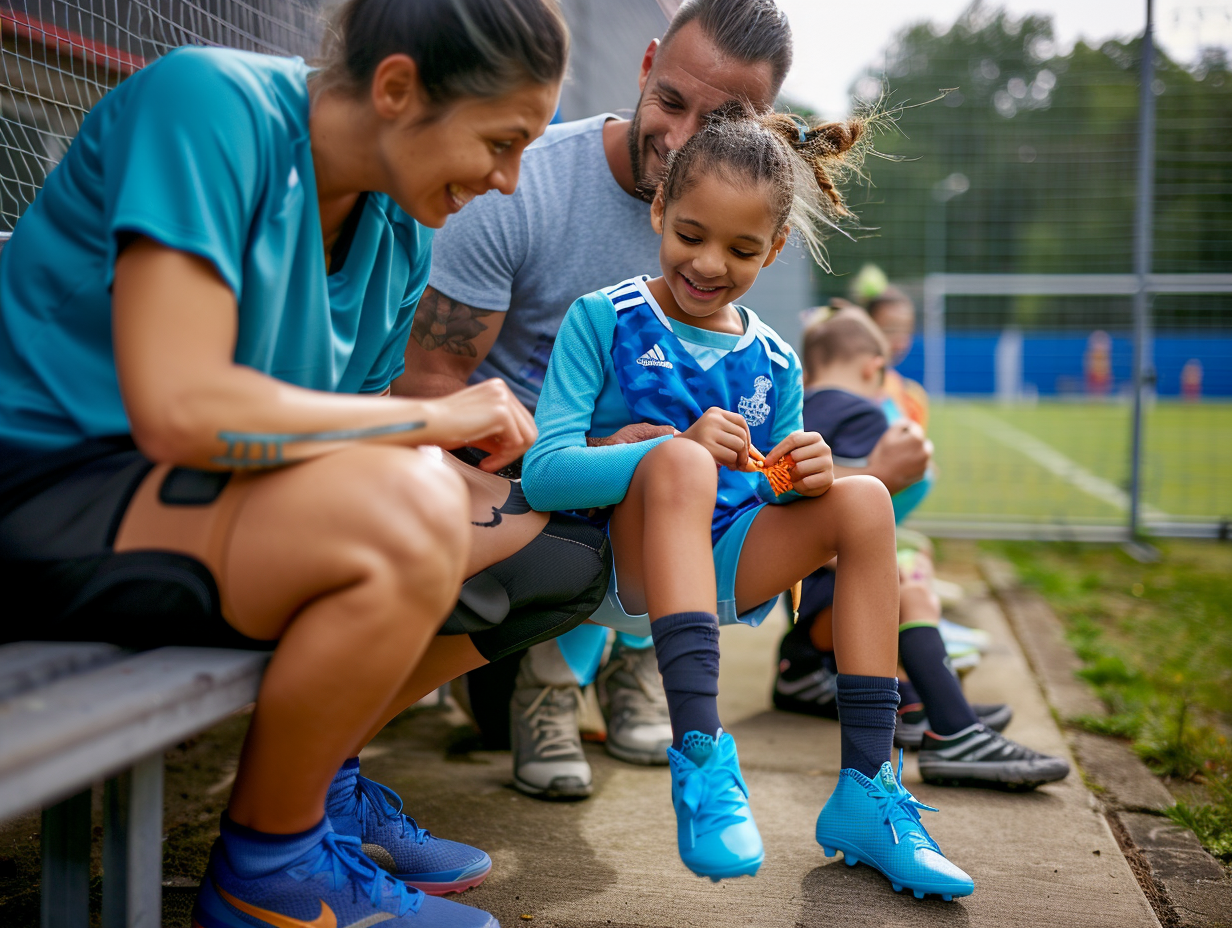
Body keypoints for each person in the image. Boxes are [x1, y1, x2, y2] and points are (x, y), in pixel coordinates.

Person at [0, 1, 570, 925]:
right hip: (44, 484)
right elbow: (182, 407)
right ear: (396, 88)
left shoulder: (400, 233)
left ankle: (327, 805)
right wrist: (430, 423)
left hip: (189, 497)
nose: (508, 181)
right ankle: (274, 874)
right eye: (501, 142)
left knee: (554, 540)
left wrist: (475, 456)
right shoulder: (207, 103)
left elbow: (343, 428)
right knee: (412, 512)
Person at [397, 0, 931, 800]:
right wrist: (612, 462)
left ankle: (660, 674)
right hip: (540, 516)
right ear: (645, 68)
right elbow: (432, 392)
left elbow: (760, 472)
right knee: (656, 481)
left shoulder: (748, 292)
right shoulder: (525, 189)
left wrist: (804, 470)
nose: (683, 138)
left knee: (727, 486)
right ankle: (558, 676)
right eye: (673, 101)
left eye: (720, 119)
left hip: (671, 542)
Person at [521, 107, 974, 900]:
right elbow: (545, 473)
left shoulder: (775, 358)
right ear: (658, 210)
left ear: (775, 248)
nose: (708, 263)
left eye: (740, 249)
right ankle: (701, 756)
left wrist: (809, 469)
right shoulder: (605, 317)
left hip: (726, 567)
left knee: (865, 501)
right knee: (681, 464)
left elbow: (774, 484)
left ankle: (869, 792)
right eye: (690, 234)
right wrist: (665, 450)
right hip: (611, 569)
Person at [776, 307, 1069, 789]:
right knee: (907, 575)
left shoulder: (800, 414)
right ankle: (951, 725)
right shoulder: (863, 415)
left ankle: (927, 705)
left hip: (800, 611)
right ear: (875, 367)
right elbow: (848, 514)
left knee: (906, 554)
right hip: (828, 618)